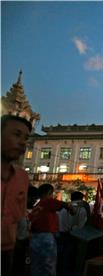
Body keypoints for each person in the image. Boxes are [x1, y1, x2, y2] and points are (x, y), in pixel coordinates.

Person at [1, 115, 32, 276]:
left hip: (8, 252)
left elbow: (21, 218)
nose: (22, 142)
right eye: (16, 134)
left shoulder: (22, 177)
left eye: (26, 138)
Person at [29, 183, 73, 276]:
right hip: (46, 237)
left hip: (34, 237)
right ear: (49, 192)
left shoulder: (37, 206)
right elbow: (66, 205)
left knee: (36, 265)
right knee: (49, 265)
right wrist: (72, 210)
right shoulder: (48, 201)